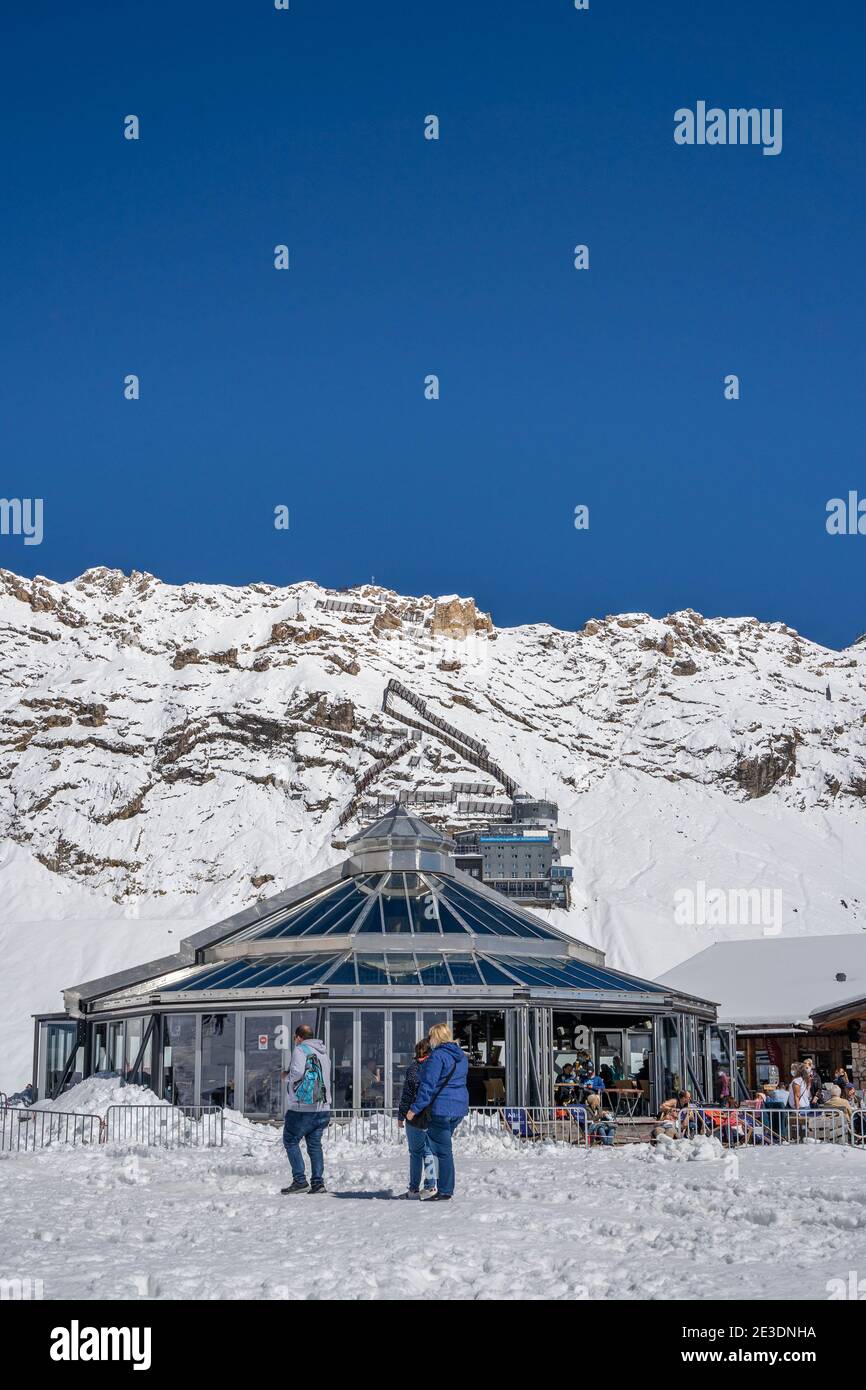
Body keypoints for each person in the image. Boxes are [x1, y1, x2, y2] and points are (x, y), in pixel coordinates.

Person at [405, 1023, 469, 1202]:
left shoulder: (437, 1057)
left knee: (442, 1151)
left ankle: (445, 1190)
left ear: (437, 1037)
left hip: (441, 1108)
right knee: (443, 1148)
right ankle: (442, 1187)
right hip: (458, 1108)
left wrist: (414, 1110)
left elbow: (427, 1086)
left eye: (431, 1036)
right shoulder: (461, 1057)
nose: (429, 1040)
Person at [280, 1023, 332, 1195]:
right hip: (322, 1107)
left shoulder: (300, 1050)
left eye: (295, 1038)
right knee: (315, 1145)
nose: (295, 1041)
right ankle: (318, 1183)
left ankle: (300, 1181)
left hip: (302, 1108)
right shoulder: (324, 1053)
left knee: (290, 1140)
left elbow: (296, 1073)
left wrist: (285, 1076)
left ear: (299, 1037)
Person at [398, 1040, 437, 1199]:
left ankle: (413, 1189)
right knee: (429, 1151)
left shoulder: (413, 1069)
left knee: (415, 1153)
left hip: (413, 1115)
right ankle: (431, 1186)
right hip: (432, 1114)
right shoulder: (435, 1068)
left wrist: (401, 1115)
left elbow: (407, 1095)